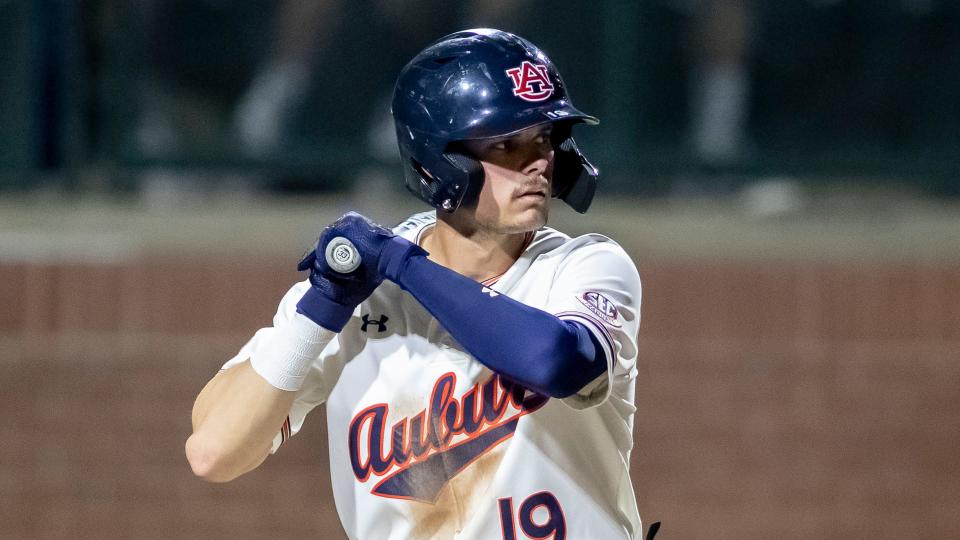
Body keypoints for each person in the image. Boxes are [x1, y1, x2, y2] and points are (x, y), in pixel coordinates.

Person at [186, 29, 645, 539]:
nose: (538, 160)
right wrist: (321, 305)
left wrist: (403, 266)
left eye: (545, 138)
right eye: (507, 145)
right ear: (440, 161)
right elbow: (212, 453)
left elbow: (558, 364)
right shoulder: (362, 296)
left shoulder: (584, 264)